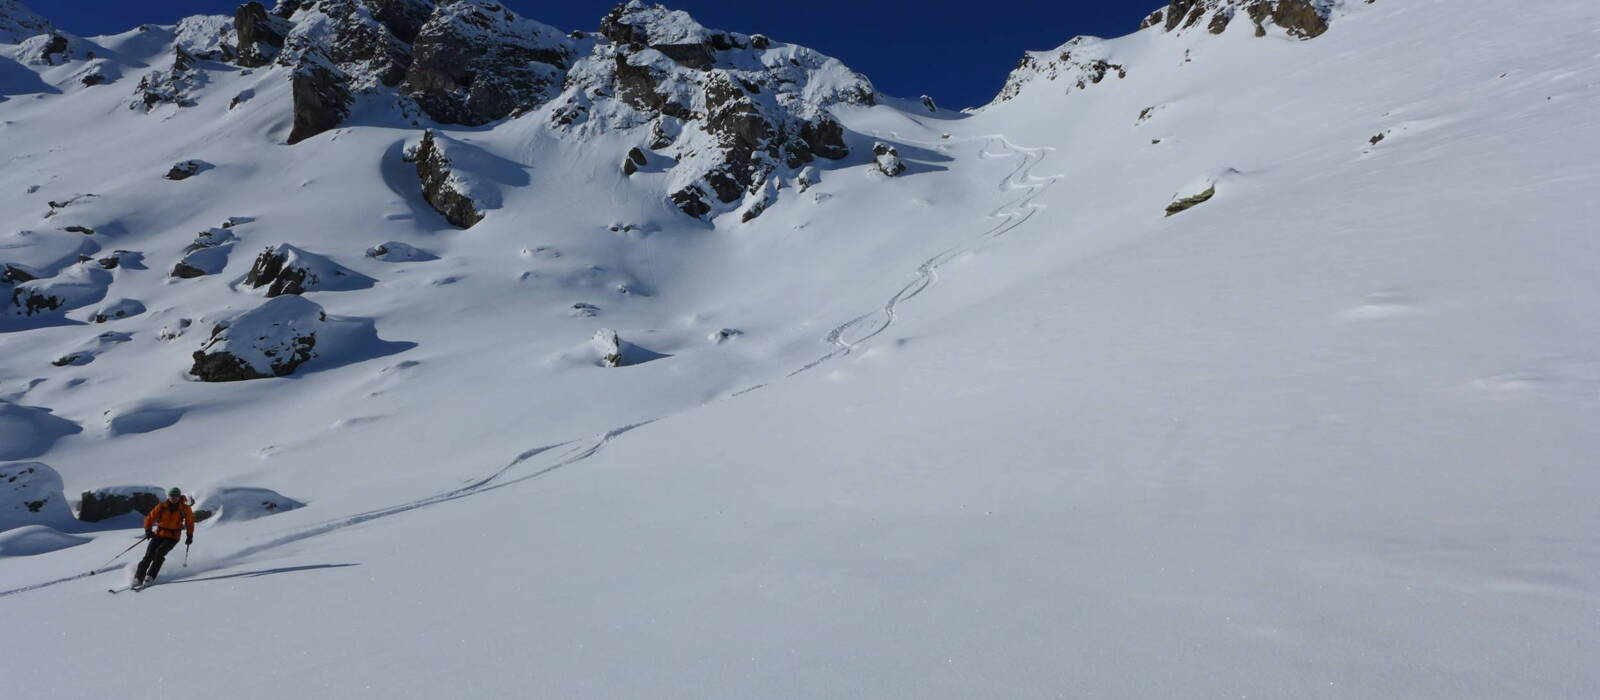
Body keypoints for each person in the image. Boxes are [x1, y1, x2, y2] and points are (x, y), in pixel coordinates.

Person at [134, 487, 195, 588]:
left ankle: (150, 576)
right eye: (172, 496)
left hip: (173, 536)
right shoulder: (162, 506)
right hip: (159, 534)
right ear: (169, 497)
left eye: (176, 496)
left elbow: (190, 522)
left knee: (159, 553)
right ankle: (138, 577)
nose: (174, 498)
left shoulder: (185, 508)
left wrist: (190, 535)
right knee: (149, 555)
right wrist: (148, 530)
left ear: (179, 497)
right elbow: (150, 517)